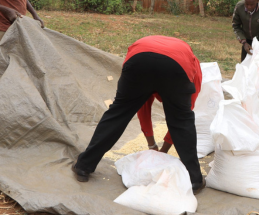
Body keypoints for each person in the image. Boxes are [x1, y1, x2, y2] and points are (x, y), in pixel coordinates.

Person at [72, 35, 205, 194]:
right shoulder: (192, 69)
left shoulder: (192, 66)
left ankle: (84, 166)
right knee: (183, 120)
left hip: (139, 58)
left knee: (118, 113)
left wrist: (161, 149)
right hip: (175, 65)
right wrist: (153, 146)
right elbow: (182, 118)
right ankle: (194, 179)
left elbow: (137, 106)